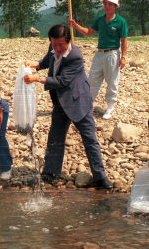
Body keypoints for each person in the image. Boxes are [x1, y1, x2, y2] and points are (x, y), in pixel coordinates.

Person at [23, 24, 112, 189]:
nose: (56, 48)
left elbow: (62, 81)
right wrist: (35, 64)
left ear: (68, 41)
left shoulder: (75, 56)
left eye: (60, 45)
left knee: (90, 139)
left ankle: (100, 177)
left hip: (79, 101)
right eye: (53, 44)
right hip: (60, 101)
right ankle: (50, 173)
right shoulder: (53, 45)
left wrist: (38, 78)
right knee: (55, 138)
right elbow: (47, 60)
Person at [68, 0, 127, 119]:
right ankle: (87, 104)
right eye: (105, 3)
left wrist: (123, 57)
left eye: (110, 4)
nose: (107, 6)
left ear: (115, 6)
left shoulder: (120, 22)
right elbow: (89, 32)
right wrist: (75, 25)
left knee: (112, 81)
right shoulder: (100, 19)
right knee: (92, 80)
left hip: (113, 54)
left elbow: (124, 41)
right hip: (99, 54)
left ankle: (110, 106)